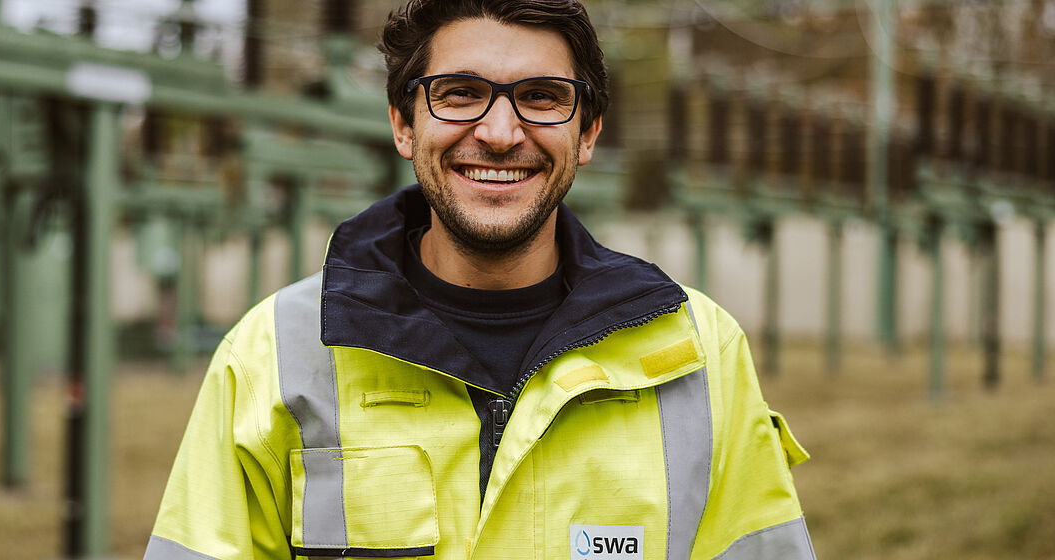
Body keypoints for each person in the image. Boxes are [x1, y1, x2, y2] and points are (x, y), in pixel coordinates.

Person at [144, 0, 815, 558]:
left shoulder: (700, 353)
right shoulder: (274, 354)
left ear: (588, 134)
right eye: (460, 93)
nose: (499, 132)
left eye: (542, 98)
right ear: (404, 125)